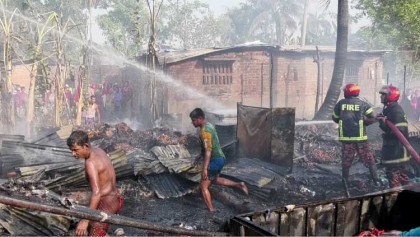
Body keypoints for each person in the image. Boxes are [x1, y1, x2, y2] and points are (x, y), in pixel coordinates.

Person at [189, 108, 248, 212]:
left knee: (203, 187)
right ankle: (239, 184)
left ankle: (211, 211)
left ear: (200, 118)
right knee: (215, 180)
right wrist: (199, 156)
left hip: (215, 160)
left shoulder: (205, 132)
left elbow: (208, 151)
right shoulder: (209, 125)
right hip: (221, 158)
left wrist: (205, 169)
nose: (192, 122)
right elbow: (207, 146)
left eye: (194, 120)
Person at [67, 130, 123, 236]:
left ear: (86, 146)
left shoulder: (90, 163)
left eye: (75, 150)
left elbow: (97, 193)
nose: (73, 153)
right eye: (71, 150)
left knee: (93, 233)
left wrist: (85, 220)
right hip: (116, 199)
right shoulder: (99, 150)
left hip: (106, 204)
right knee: (90, 229)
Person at [332, 84, 381, 192]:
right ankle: (376, 180)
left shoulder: (340, 104)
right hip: (360, 138)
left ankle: (345, 183)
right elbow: (372, 117)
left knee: (346, 160)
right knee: (369, 158)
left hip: (346, 139)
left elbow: (335, 118)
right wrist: (364, 122)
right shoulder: (363, 104)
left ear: (347, 92)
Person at [378, 85, 411, 188]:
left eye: (383, 94)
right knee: (402, 176)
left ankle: (394, 197)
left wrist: (383, 123)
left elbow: (399, 132)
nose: (381, 96)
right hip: (394, 150)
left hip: (397, 151)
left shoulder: (396, 110)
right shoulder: (390, 109)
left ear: (390, 96)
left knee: (394, 179)